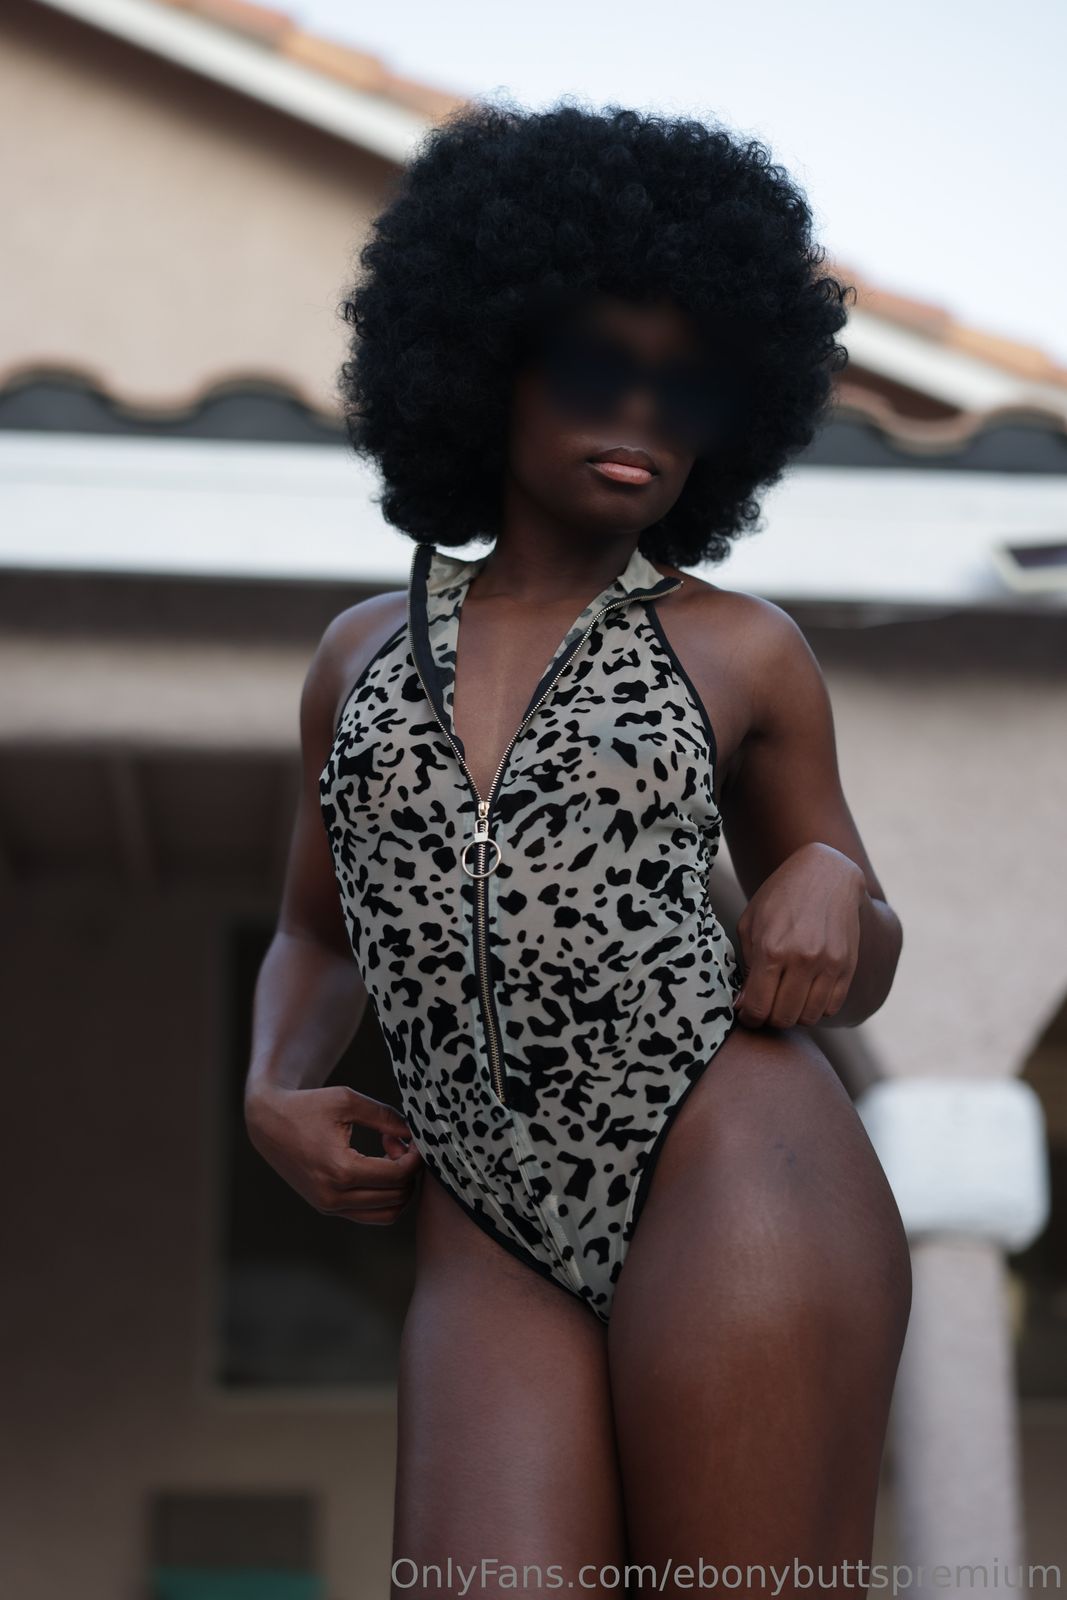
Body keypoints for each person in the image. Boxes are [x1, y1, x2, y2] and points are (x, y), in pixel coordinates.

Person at [245, 100, 912, 1598]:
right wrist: (272, 1087)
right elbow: (316, 929)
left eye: (691, 386)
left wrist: (830, 884)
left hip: (732, 1160)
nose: (645, 414)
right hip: (482, 1215)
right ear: (487, 366)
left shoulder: (743, 649)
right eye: (604, 369)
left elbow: (857, 959)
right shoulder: (355, 658)